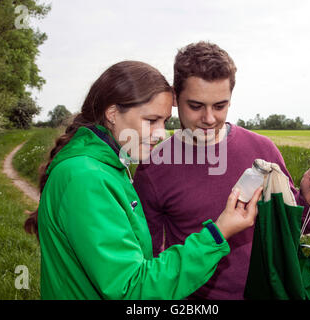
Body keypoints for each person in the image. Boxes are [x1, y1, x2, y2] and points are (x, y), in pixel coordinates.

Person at [24, 60, 263, 300]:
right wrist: (217, 234)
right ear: (112, 113)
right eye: (151, 120)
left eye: (164, 121)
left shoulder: (105, 166)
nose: (161, 134)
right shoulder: (87, 178)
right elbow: (132, 287)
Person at [133, 42, 310, 300]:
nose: (208, 118)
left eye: (220, 106)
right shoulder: (154, 166)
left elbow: (293, 227)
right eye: (195, 106)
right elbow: (147, 259)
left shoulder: (263, 149)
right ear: (175, 97)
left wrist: (308, 198)